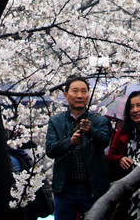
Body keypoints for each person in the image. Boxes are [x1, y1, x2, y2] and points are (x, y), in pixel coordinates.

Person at [46, 76, 112, 220]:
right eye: (75, 91)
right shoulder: (55, 121)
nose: (80, 95)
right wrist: (70, 143)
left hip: (92, 187)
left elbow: (105, 142)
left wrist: (90, 131)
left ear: (89, 95)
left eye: (84, 91)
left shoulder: (99, 120)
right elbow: (50, 150)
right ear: (65, 95)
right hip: (65, 188)